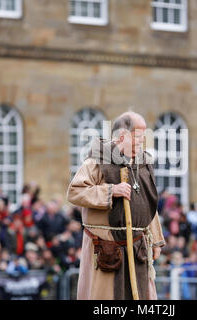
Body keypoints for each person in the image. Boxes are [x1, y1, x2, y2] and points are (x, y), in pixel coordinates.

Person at [67, 111, 165, 300]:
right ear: (122, 136)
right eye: (138, 137)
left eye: (143, 137)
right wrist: (110, 191)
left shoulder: (143, 162)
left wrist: (157, 240)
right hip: (106, 249)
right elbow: (75, 192)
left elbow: (148, 202)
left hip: (138, 248)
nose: (141, 142)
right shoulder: (97, 160)